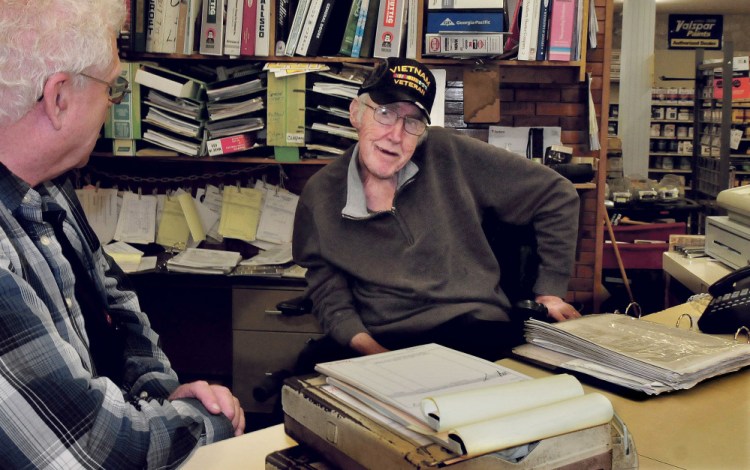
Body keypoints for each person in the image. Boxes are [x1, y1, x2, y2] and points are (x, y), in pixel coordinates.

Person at [0, 1, 244, 467]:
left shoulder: (51, 186)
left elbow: (114, 306)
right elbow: (99, 451)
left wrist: (160, 391)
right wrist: (207, 418)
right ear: (59, 98)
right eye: (112, 87)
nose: (114, 104)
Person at [293, 57, 582, 361]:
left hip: (472, 327)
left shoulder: (449, 153)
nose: (395, 135)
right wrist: (376, 355)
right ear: (356, 113)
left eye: (412, 122)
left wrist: (549, 291)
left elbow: (557, 193)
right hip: (382, 339)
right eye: (385, 113)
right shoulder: (320, 195)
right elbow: (329, 294)